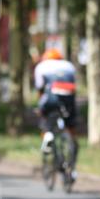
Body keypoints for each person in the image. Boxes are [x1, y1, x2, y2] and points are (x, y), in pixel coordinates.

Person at [34, 48, 79, 180]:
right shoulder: (69, 65)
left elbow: (40, 89)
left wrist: (40, 108)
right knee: (70, 126)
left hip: (51, 97)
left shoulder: (41, 66)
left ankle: (47, 134)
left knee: (44, 111)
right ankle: (71, 156)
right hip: (68, 99)